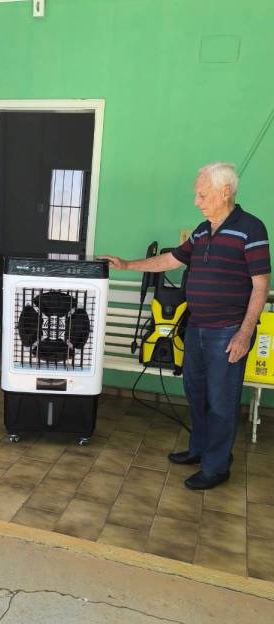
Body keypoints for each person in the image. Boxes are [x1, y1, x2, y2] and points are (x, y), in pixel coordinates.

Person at [101, 162, 271, 490]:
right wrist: (127, 264)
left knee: (221, 403)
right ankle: (200, 450)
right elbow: (172, 260)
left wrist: (245, 333)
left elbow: (261, 286)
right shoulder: (202, 230)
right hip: (196, 328)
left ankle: (216, 467)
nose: (196, 201)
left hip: (228, 332)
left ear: (225, 192)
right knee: (196, 394)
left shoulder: (251, 229)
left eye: (202, 194)